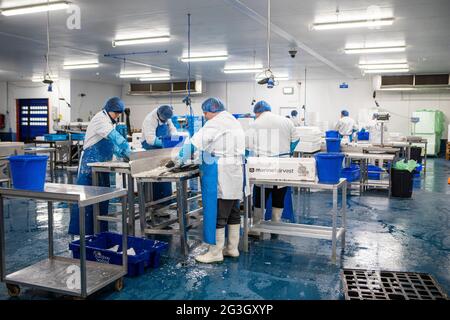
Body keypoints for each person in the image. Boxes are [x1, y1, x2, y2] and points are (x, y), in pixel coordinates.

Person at [178, 98, 246, 264]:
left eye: (205, 113)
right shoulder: (232, 120)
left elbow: (194, 143)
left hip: (221, 171)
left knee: (219, 212)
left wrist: (179, 159)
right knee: (233, 211)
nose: (205, 116)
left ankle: (215, 252)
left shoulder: (215, 122)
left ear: (210, 110)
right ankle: (231, 248)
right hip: (236, 170)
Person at [69, 97, 131, 235]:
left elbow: (110, 143)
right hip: (89, 166)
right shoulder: (100, 119)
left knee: (103, 200)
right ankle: (83, 233)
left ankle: (100, 232)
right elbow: (114, 136)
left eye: (119, 113)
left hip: (102, 166)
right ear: (109, 110)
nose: (118, 116)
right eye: (116, 113)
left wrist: (121, 152)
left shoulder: (109, 120)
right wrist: (127, 148)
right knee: (87, 200)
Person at [245, 101, 300, 225]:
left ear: (257, 112)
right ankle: (276, 223)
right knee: (279, 196)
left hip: (262, 167)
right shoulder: (286, 121)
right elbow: (296, 139)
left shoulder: (254, 124)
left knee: (259, 197)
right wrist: (287, 152)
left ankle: (257, 226)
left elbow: (246, 147)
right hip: (283, 166)